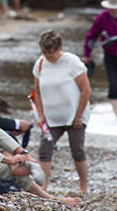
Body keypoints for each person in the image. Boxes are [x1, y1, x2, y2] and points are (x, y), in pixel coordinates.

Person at [32, 29, 91, 194]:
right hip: (51, 117)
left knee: (77, 149)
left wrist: (78, 116)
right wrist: (41, 115)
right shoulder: (41, 63)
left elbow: (86, 90)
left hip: (75, 116)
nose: (47, 56)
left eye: (50, 53)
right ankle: (43, 187)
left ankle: (83, 187)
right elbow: (37, 91)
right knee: (44, 149)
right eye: (44, 52)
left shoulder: (72, 62)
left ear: (59, 48)